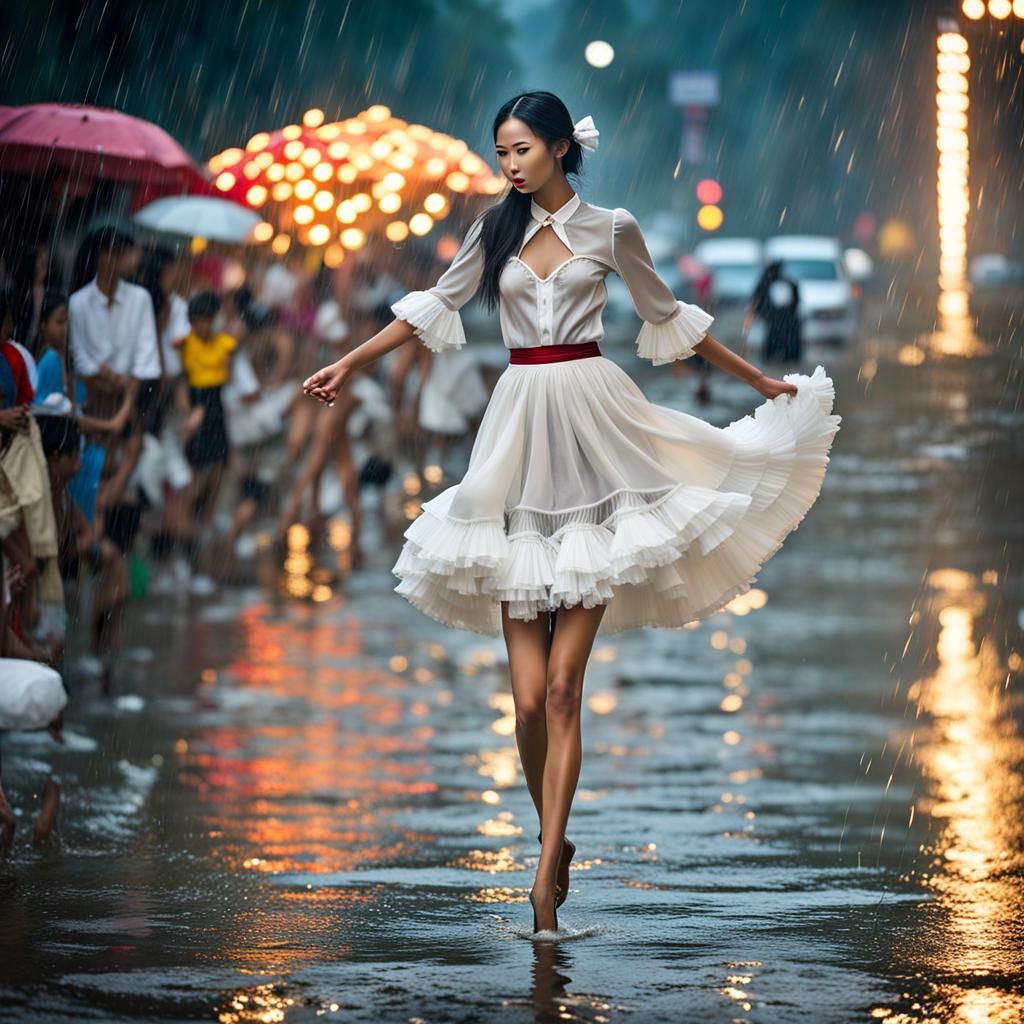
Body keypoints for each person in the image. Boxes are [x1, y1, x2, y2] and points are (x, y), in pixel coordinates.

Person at [302, 92, 842, 936]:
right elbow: (426, 310)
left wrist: (761, 386)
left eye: (520, 149)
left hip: (598, 434)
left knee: (560, 688)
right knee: (522, 704)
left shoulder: (613, 229)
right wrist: (347, 362)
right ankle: (556, 834)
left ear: (560, 148)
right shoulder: (494, 234)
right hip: (516, 435)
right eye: (501, 151)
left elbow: (673, 322)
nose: (508, 164)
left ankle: (545, 876)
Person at [174, 292, 236, 591]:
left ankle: (203, 567)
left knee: (212, 490)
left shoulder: (225, 343)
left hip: (215, 413)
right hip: (198, 415)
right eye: (196, 321)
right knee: (195, 488)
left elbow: (228, 376)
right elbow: (183, 383)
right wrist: (189, 413)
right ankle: (188, 557)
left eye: (205, 320)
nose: (201, 326)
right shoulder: (186, 344)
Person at [744, 260, 803, 363]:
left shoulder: (771, 283)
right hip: (778, 322)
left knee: (784, 351)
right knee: (775, 349)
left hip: (782, 322)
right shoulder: (767, 284)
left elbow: (756, 301)